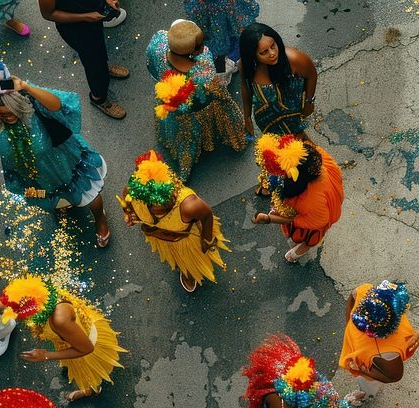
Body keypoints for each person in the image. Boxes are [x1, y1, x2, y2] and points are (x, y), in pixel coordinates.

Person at [0, 77, 112, 247]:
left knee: (90, 194)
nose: (7, 118)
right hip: (32, 177)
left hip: (63, 164)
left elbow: (58, 105)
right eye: (1, 115)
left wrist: (26, 87)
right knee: (51, 201)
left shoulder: (33, 104)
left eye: (11, 112)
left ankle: (100, 219)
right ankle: (61, 205)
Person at [0, 276, 125, 400]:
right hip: (68, 338)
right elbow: (9, 301)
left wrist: (46, 355)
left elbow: (86, 349)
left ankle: (91, 389)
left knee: (88, 374)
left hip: (85, 349)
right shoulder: (37, 291)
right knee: (69, 362)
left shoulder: (59, 320)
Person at [146, 20, 246, 180]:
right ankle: (237, 140)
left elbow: (151, 68)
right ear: (192, 53)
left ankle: (185, 169)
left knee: (185, 142)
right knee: (195, 133)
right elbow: (215, 90)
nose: (204, 47)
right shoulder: (203, 67)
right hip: (198, 110)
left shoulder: (158, 43)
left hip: (174, 111)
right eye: (200, 45)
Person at [119, 149, 227, 293]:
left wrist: (207, 240)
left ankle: (189, 272)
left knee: (189, 264)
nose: (158, 211)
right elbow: (127, 206)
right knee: (175, 259)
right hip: (160, 238)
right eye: (153, 206)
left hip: (185, 241)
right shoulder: (131, 192)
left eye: (163, 205)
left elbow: (207, 216)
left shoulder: (190, 205)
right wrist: (130, 215)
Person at [251, 134, 344, 262]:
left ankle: (300, 251)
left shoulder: (311, 202)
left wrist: (269, 218)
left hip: (314, 223)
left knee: (309, 239)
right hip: (315, 211)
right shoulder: (315, 160)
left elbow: (301, 220)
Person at [38, 0, 129, 119]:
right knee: (92, 62)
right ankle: (98, 98)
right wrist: (85, 17)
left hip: (93, 19)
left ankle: (104, 69)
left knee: (99, 49)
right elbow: (48, 14)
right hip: (76, 29)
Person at [338, 280, 415, 406]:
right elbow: (353, 296)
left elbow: (394, 376)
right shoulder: (365, 291)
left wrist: (363, 372)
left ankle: (366, 395)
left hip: (369, 368)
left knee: (367, 385)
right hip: (363, 360)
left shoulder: (388, 353)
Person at [239, 23, 318, 141]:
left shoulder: (294, 59)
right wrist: (247, 117)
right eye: (264, 52)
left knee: (303, 149)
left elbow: (312, 74)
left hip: (293, 115)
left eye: (273, 46)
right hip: (266, 119)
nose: (272, 53)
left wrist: (309, 102)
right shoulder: (246, 67)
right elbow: (246, 90)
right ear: (252, 55)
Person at [184, 0, 260, 83]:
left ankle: (232, 63)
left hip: (226, 9)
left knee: (230, 36)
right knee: (218, 40)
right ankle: (224, 69)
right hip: (212, 12)